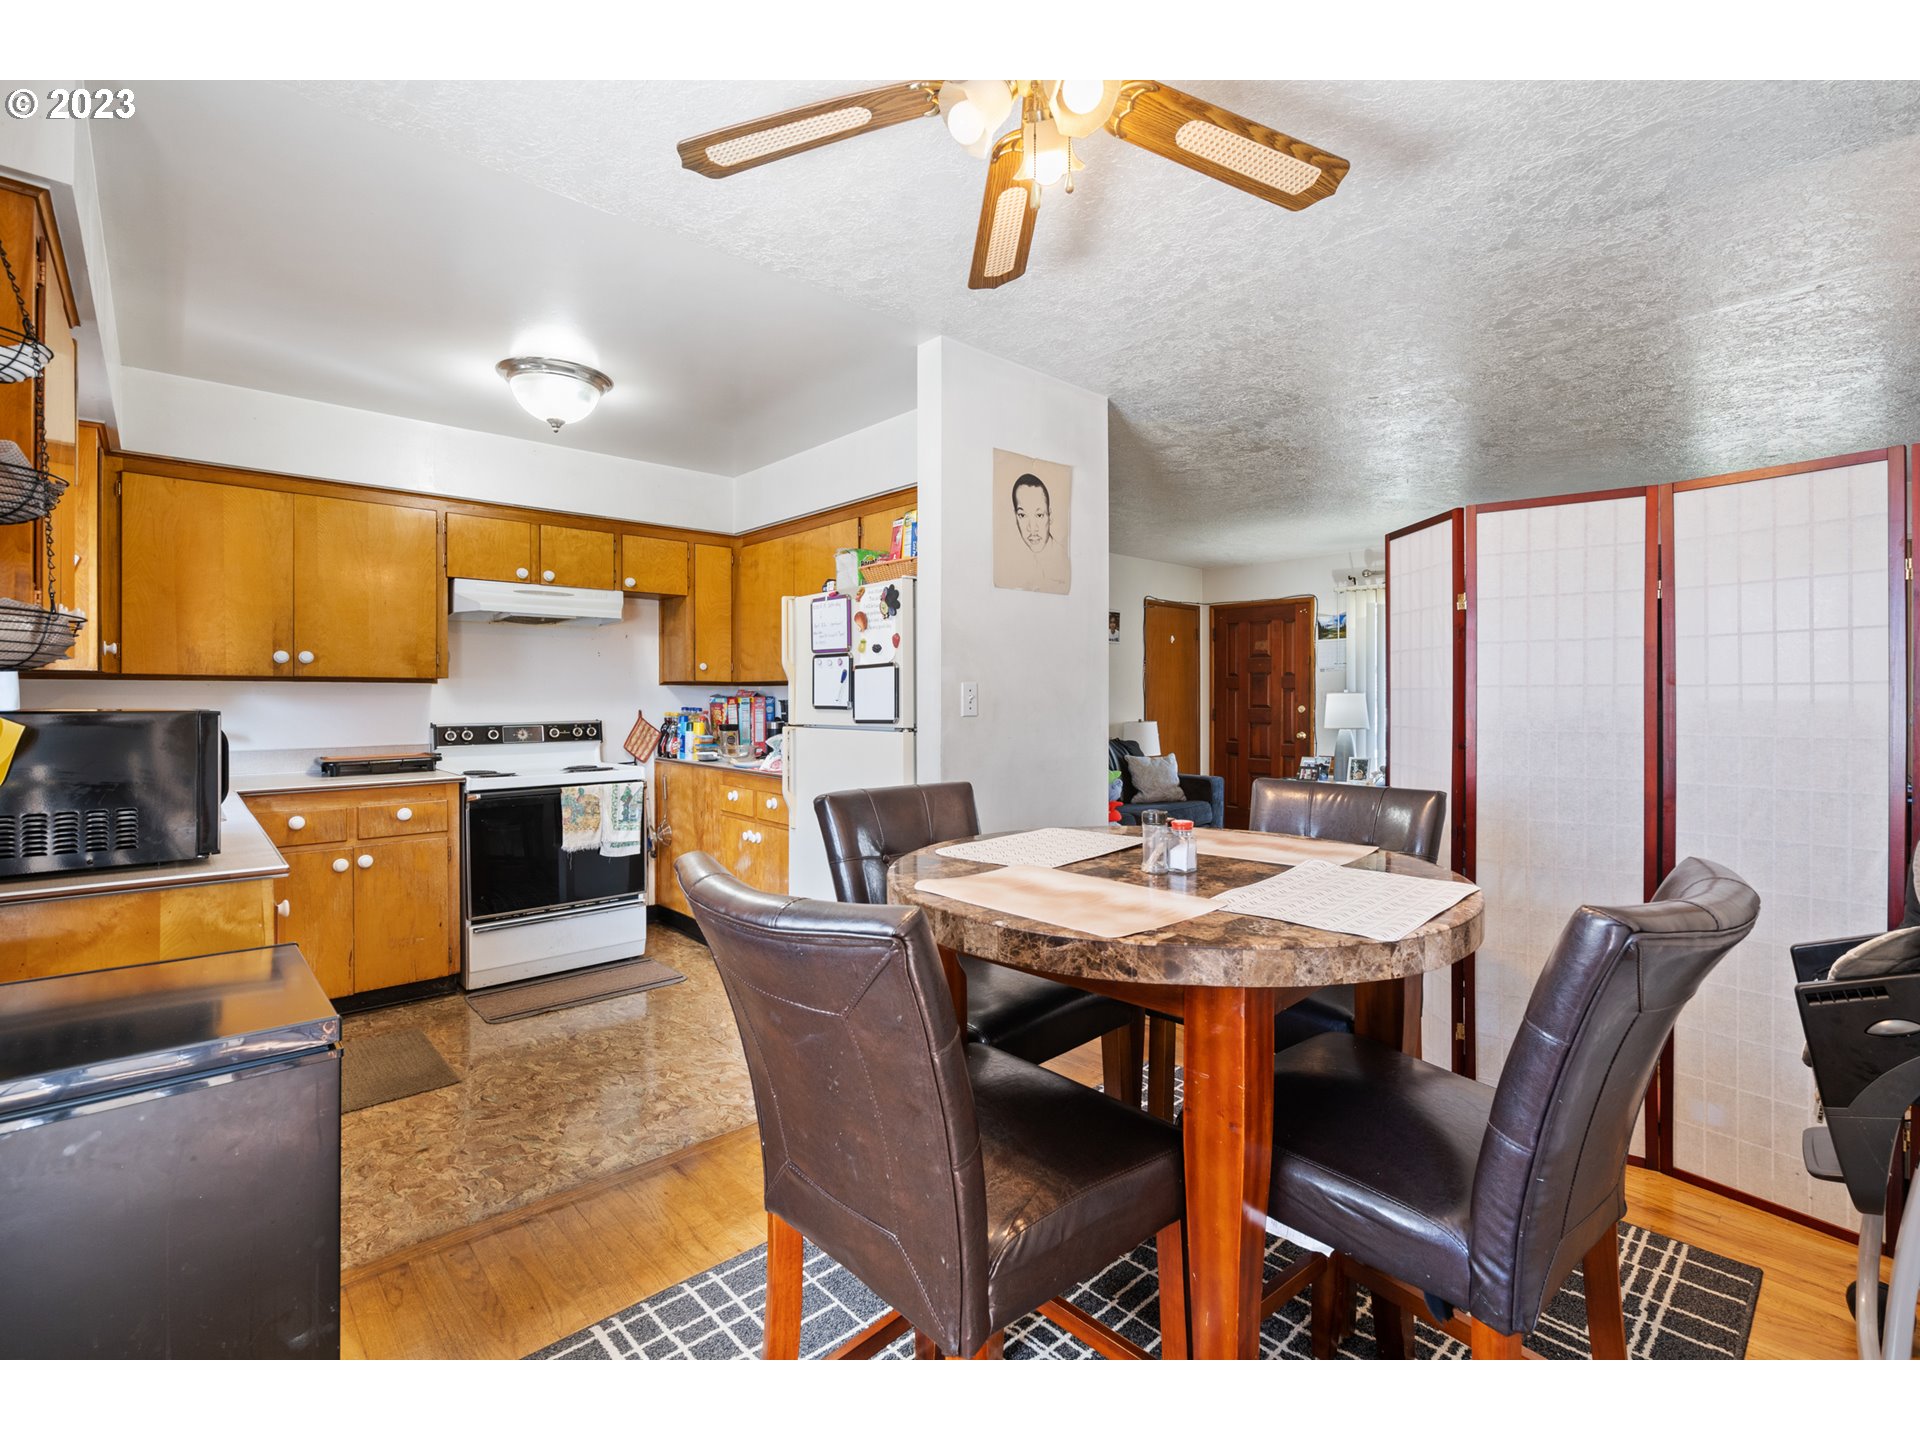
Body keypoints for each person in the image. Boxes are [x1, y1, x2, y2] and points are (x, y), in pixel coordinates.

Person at [1007, 472, 1068, 591]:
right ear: (1015, 517)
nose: (1032, 528)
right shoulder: (1018, 569)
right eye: (1023, 515)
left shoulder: (1063, 565)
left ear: (1050, 516)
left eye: (1039, 515)